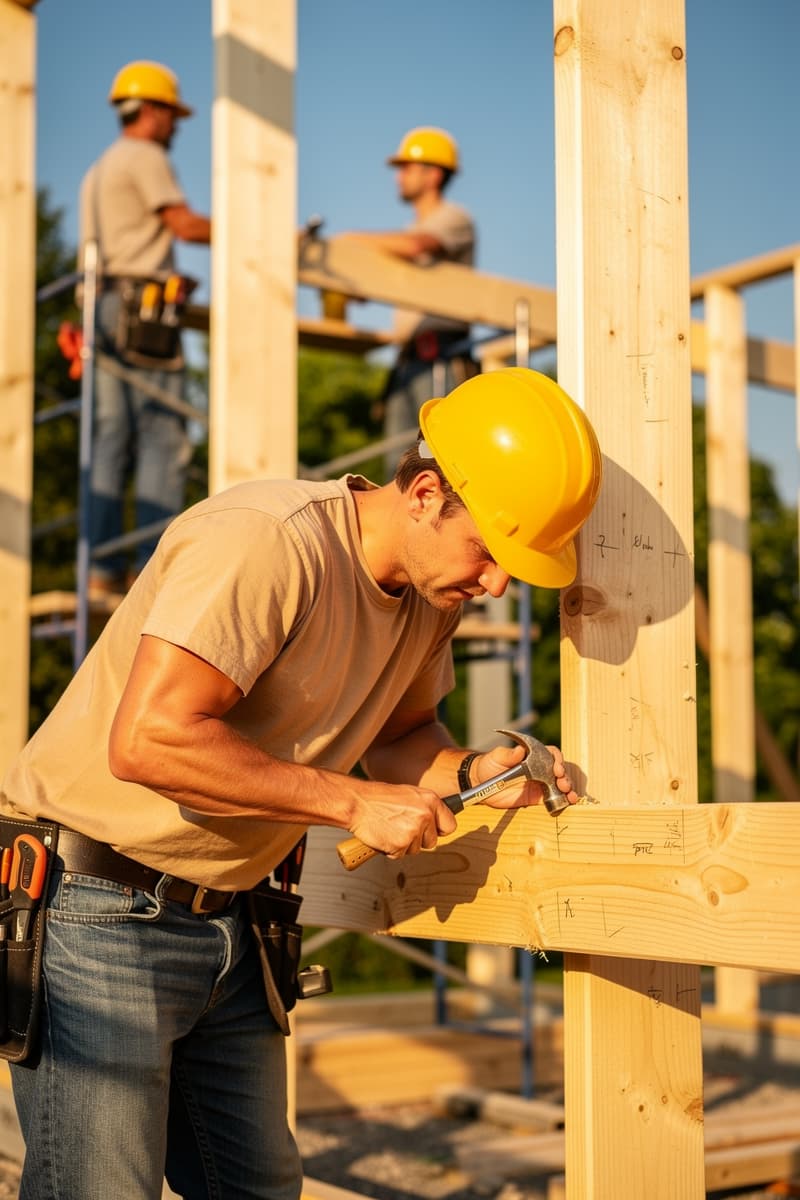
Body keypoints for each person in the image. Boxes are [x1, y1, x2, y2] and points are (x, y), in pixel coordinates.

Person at [0, 367, 602, 1199]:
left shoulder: (433, 597)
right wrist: (352, 801)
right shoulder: (265, 541)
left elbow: (400, 739)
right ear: (425, 494)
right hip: (94, 904)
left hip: (232, 920)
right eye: (490, 553)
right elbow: (147, 742)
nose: (497, 584)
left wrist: (471, 772)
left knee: (259, 1188)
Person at [78, 60, 212, 597]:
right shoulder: (145, 154)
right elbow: (184, 224)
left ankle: (102, 568)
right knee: (163, 438)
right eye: (172, 115)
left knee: (110, 438)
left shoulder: (101, 167)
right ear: (152, 111)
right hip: (143, 313)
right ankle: (150, 571)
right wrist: (262, 228)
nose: (175, 126)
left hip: (104, 307)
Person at [338, 126, 477, 476]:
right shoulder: (406, 231)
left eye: (407, 168)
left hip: (440, 361)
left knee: (442, 467)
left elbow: (416, 246)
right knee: (399, 471)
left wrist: (350, 241)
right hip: (408, 363)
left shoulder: (453, 218)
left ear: (433, 174)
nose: (399, 176)